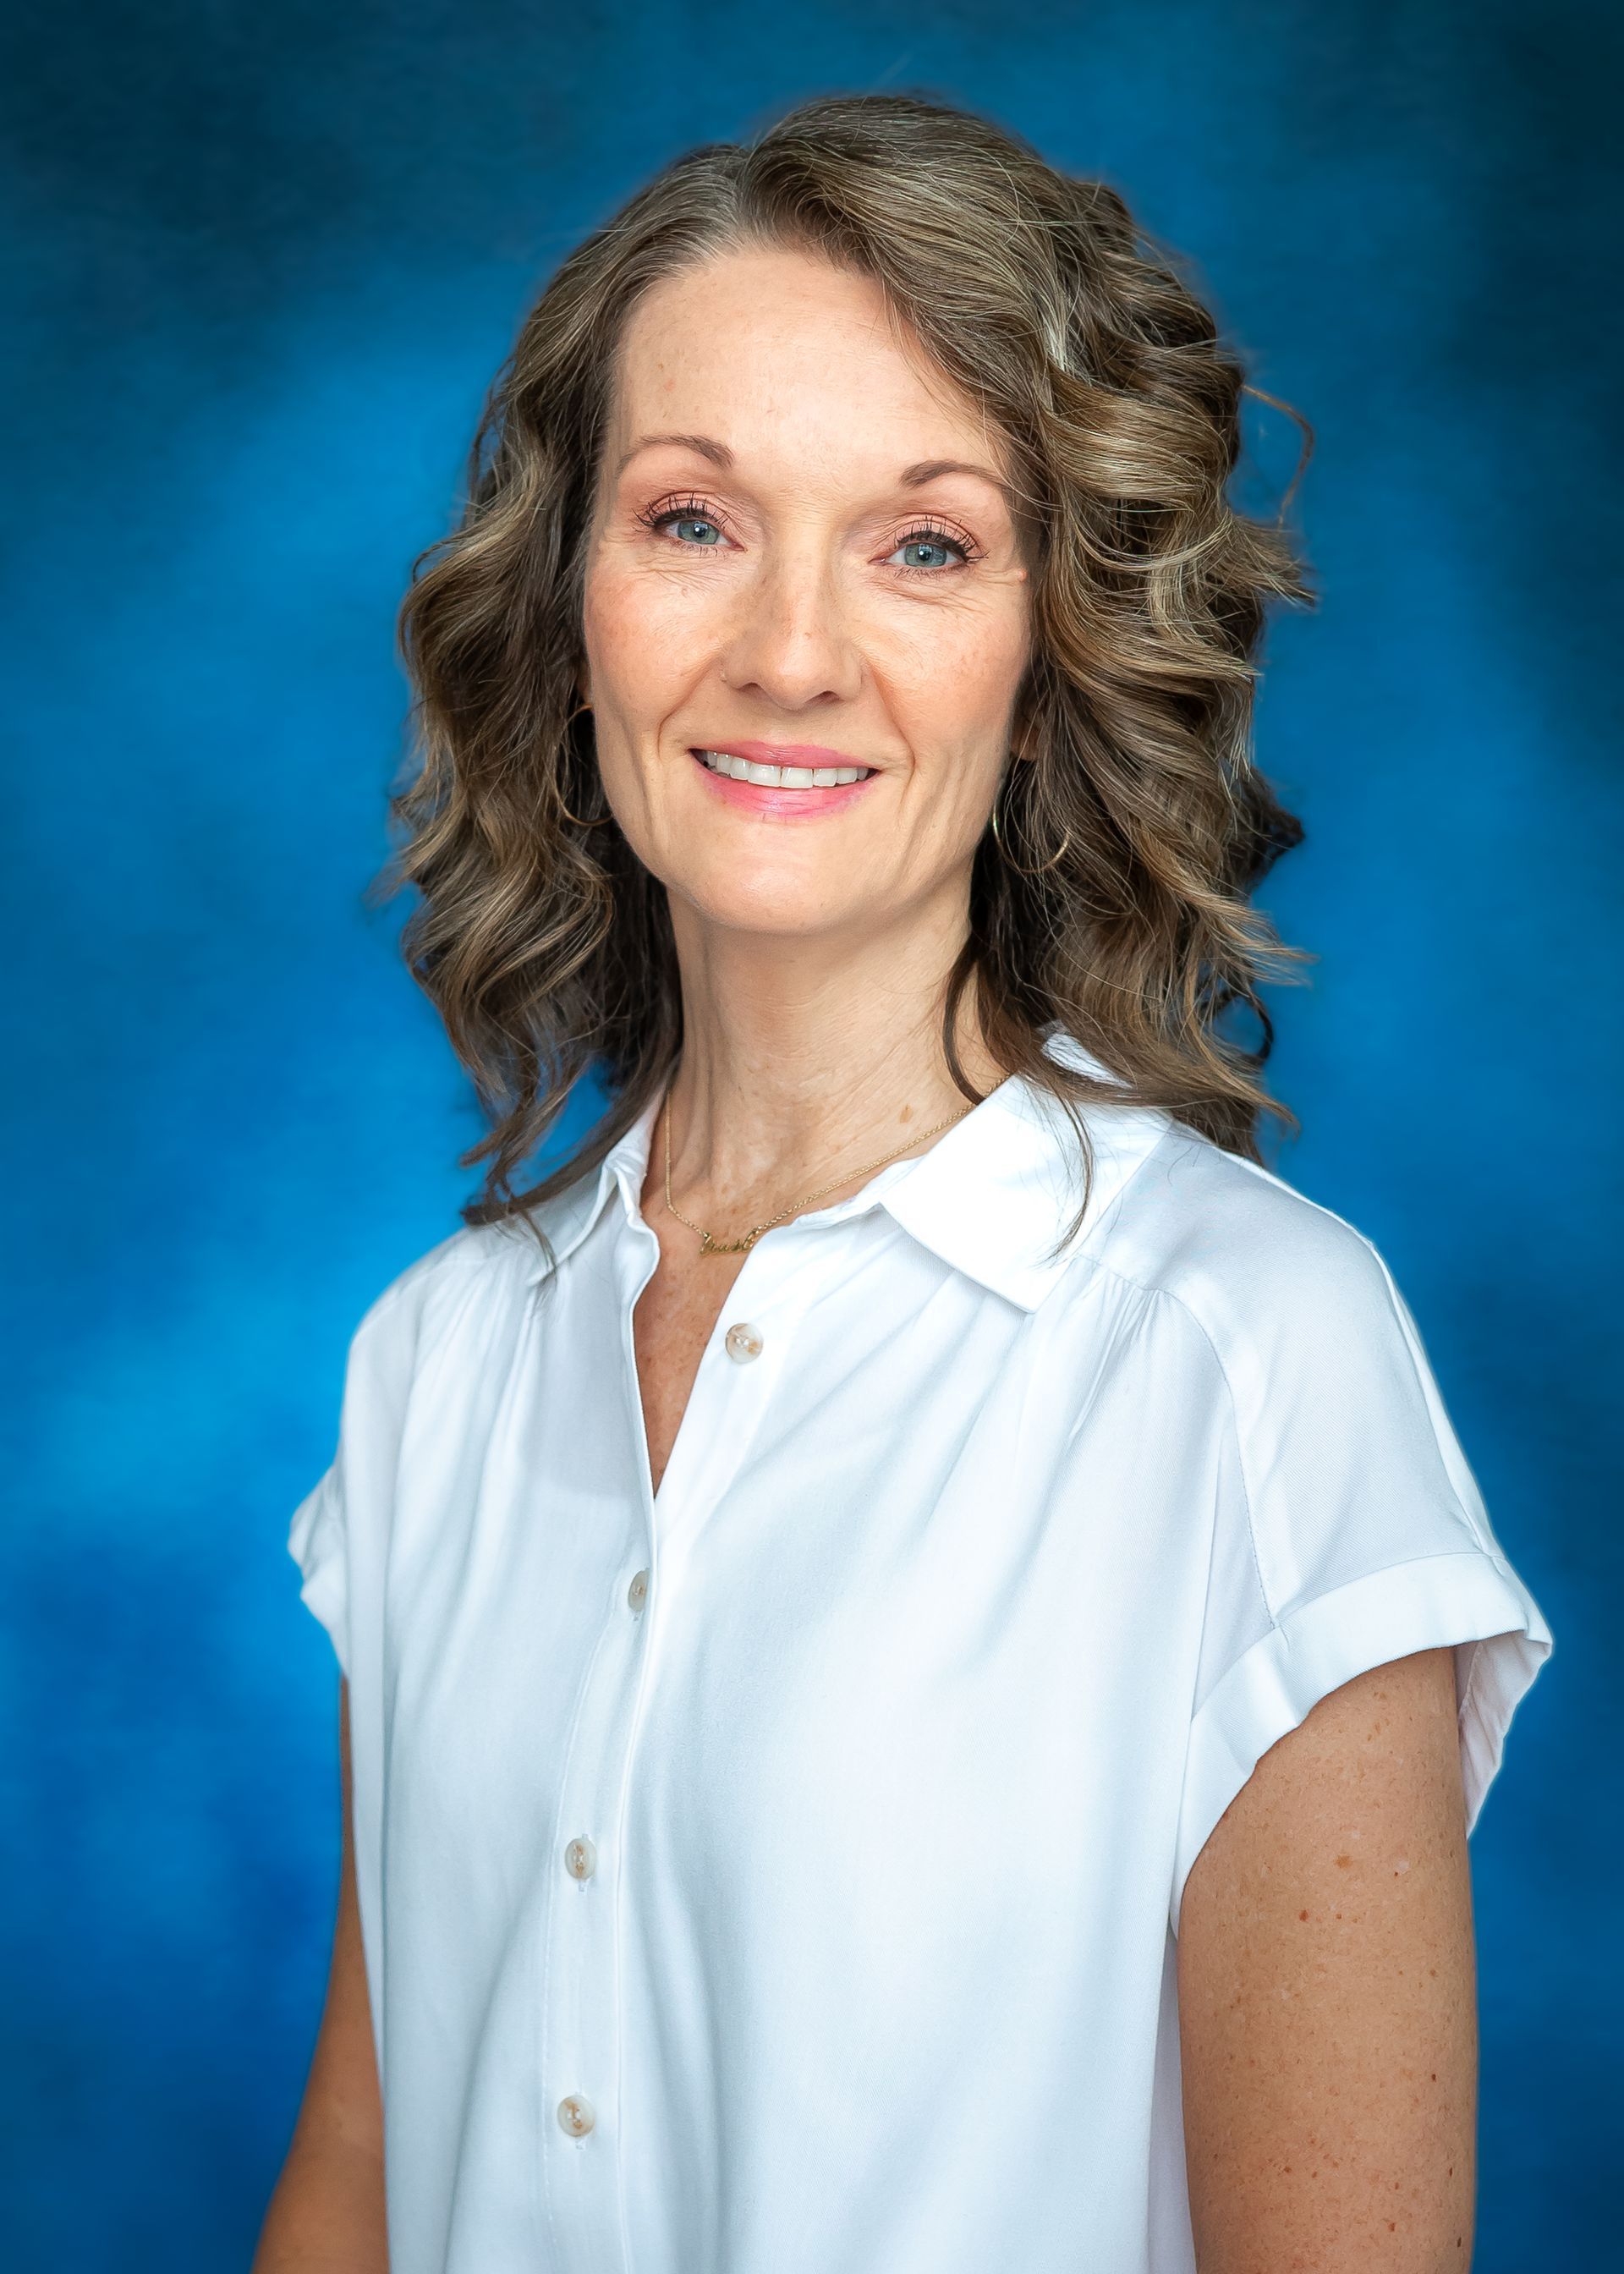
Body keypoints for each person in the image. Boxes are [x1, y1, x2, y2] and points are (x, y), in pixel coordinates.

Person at [255, 92, 1553, 2274]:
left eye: (925, 544)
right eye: (694, 520)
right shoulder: (434, 1369)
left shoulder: (1245, 1365)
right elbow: (371, 2176)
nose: (788, 651)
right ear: (569, 598)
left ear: (1052, 666)